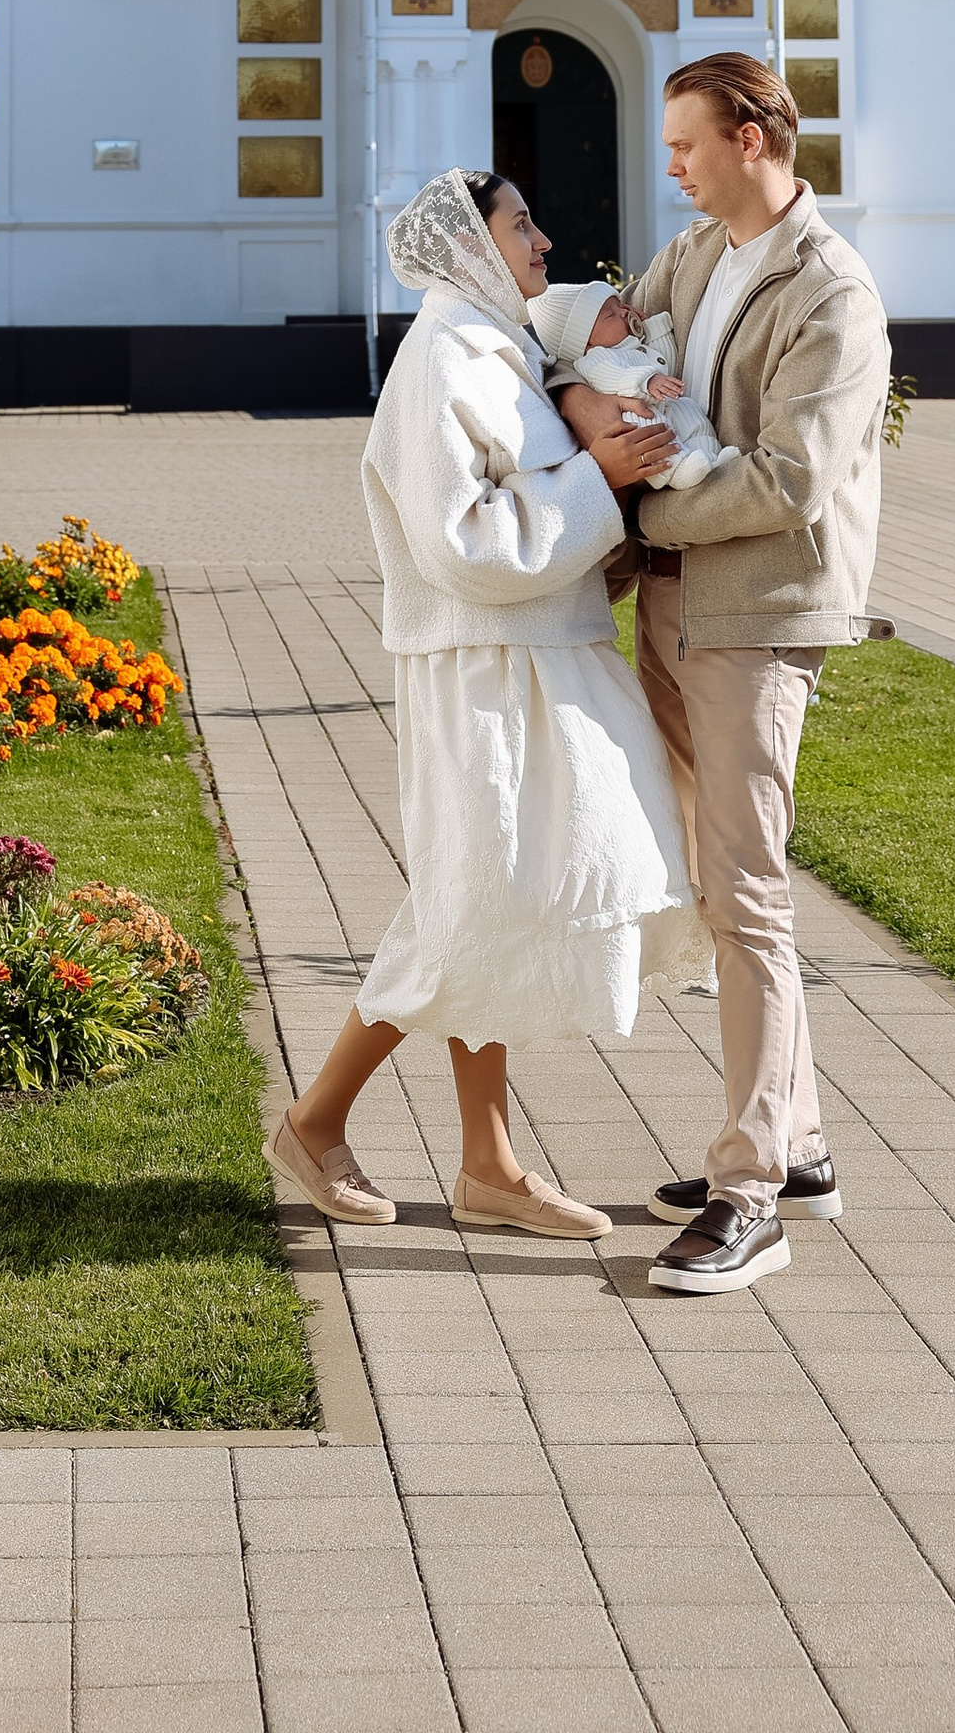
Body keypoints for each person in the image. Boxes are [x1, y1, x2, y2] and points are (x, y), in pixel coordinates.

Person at [267, 165, 706, 1242]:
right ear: (470, 242)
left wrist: (610, 479)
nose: (544, 240)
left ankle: (486, 1165)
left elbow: (543, 502)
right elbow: (461, 542)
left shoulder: (503, 350)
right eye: (521, 224)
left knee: (497, 897)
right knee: (474, 901)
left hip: (545, 658)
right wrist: (598, 480)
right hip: (481, 669)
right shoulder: (440, 361)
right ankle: (321, 1122)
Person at [555, 52, 888, 1297]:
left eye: (690, 144)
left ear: (754, 139)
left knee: (745, 890)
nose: (674, 165)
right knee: (716, 882)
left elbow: (788, 480)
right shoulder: (692, 256)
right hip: (680, 605)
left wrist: (635, 513)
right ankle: (795, 1149)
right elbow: (605, 347)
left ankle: (749, 1191)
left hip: (758, 610)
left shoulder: (833, 292)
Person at [525, 282, 725, 490]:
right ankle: (674, 468)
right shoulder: (595, 359)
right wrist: (646, 381)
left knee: (689, 411)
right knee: (643, 424)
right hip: (633, 411)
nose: (623, 313)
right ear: (586, 343)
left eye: (620, 305)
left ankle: (710, 455)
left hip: (663, 405)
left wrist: (650, 326)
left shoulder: (635, 346)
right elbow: (614, 376)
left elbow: (666, 362)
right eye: (610, 316)